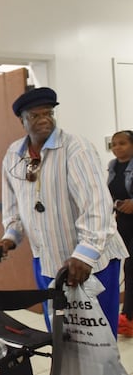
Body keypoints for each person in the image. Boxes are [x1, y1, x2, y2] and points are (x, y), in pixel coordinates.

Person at [0, 87, 129, 336]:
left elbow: (96, 206)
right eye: (35, 116)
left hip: (92, 261)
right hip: (46, 260)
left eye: (48, 113)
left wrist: (84, 254)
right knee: (60, 331)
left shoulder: (75, 148)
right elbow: (14, 204)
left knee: (96, 339)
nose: (44, 119)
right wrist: (10, 237)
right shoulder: (14, 155)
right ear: (22, 121)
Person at [108, 130, 133, 337]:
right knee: (120, 263)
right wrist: (117, 204)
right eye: (114, 144)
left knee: (132, 266)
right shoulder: (112, 166)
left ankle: (128, 316)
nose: (117, 148)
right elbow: (109, 196)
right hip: (122, 221)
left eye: (122, 143)